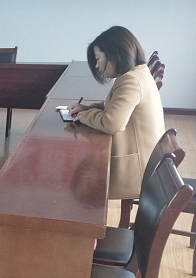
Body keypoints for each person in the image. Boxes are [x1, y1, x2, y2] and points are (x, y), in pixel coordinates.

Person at [69, 26, 164, 200]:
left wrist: (84, 116)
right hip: (146, 161)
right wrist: (87, 109)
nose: (96, 65)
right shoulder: (137, 73)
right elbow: (112, 106)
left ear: (114, 54)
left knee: (74, 180)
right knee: (78, 169)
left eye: (98, 58)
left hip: (138, 171)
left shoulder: (131, 81)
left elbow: (112, 123)